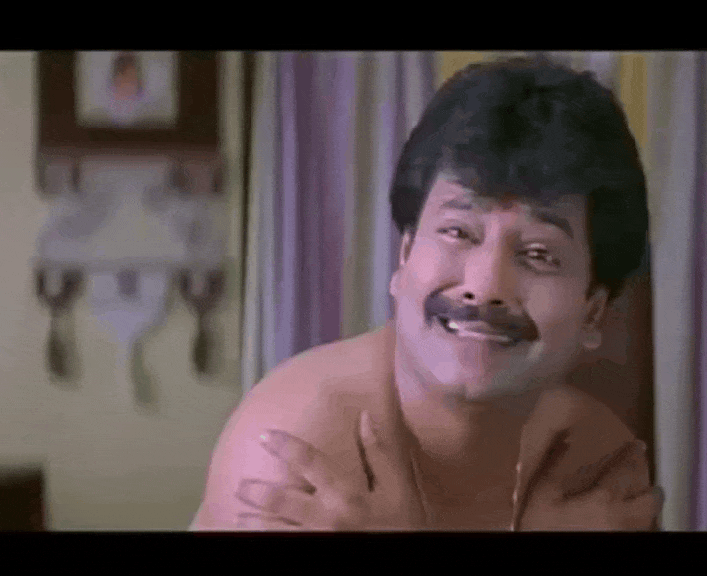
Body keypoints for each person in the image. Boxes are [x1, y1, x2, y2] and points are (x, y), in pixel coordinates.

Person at [191, 55, 663, 531]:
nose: (485, 287)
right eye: (458, 232)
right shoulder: (302, 445)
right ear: (405, 256)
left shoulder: (593, 464)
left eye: (538, 254)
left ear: (593, 312)